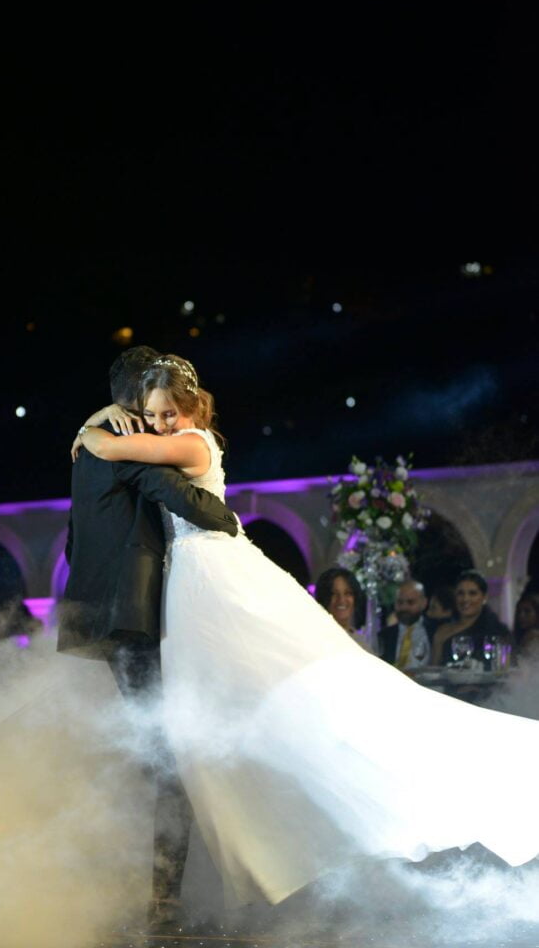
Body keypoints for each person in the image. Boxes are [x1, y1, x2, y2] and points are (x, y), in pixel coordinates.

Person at [81, 354, 539, 908]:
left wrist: (95, 425)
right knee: (209, 717)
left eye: (169, 413)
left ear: (192, 408)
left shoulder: (195, 441)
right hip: (191, 585)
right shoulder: (175, 439)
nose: (160, 425)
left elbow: (110, 450)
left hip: (214, 577)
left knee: (281, 682)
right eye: (153, 415)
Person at [60, 346, 239, 930]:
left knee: (154, 751)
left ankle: (147, 886)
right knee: (168, 758)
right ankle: (163, 898)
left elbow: (72, 541)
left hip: (111, 620)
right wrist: (227, 520)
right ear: (133, 401)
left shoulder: (88, 449)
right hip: (134, 621)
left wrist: (88, 426)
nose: (156, 418)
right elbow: (197, 506)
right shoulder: (122, 447)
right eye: (149, 403)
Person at [431, 570, 511, 666]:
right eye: (461, 593)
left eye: (472, 593)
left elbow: (505, 669)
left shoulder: (498, 631)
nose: (465, 599)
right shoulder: (443, 631)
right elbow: (434, 670)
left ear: (484, 597)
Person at [314, 567, 373, 652]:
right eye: (334, 593)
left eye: (348, 593)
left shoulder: (360, 643)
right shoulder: (316, 639)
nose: (341, 600)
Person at [381, 580, 435, 670]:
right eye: (400, 602)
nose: (404, 608)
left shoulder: (436, 631)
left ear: (424, 603)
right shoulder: (384, 635)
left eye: (410, 602)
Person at [513, 589, 539, 656]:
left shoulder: (534, 636)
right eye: (519, 611)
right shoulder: (522, 635)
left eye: (527, 611)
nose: (521, 616)